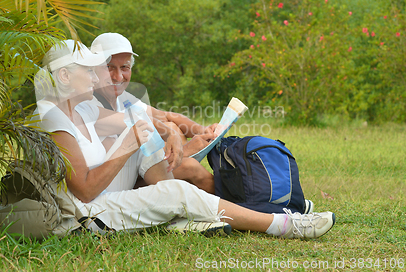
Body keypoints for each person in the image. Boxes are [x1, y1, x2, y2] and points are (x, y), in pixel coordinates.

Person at [33, 39, 336, 238]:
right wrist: (130, 143)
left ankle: (191, 212)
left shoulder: (81, 108)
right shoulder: (54, 119)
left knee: (149, 146)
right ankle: (280, 224)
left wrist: (172, 134)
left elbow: (142, 121)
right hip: (86, 213)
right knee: (177, 188)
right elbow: (84, 192)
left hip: (106, 191)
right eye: (90, 69)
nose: (97, 75)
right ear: (64, 77)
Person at [88, 32, 216, 193]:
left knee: (171, 126)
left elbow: (165, 115)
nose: (118, 76)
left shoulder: (123, 97)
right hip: (114, 188)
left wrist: (201, 130)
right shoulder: (87, 102)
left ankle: (237, 205)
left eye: (124, 67)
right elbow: (132, 127)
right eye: (109, 67)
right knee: (190, 167)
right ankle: (235, 209)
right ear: (92, 69)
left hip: (138, 174)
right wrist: (183, 147)